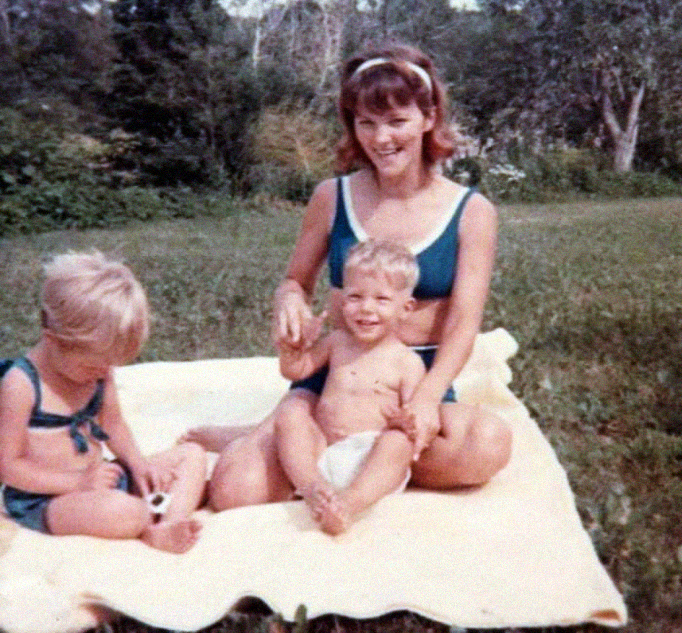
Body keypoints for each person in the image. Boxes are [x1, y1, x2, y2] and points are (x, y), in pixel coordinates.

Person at [190, 42, 513, 510]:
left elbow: (463, 322)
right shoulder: (332, 196)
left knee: (485, 445)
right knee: (233, 491)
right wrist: (289, 302)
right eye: (367, 122)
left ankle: (344, 458)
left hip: (414, 377)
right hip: (339, 373)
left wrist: (424, 400)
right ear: (352, 125)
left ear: (428, 118)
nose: (382, 138)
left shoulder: (471, 211)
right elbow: (294, 281)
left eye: (397, 121)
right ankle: (312, 439)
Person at [0, 251, 207, 553]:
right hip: (49, 499)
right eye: (91, 366)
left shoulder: (98, 373)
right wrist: (78, 482)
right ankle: (146, 517)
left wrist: (139, 465)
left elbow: (113, 425)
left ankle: (167, 525)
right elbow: (8, 466)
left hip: (102, 480)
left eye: (108, 366)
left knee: (192, 455)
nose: (101, 374)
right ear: (52, 339)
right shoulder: (21, 384)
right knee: (123, 512)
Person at [278, 239, 425, 535]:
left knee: (398, 443)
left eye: (381, 300)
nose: (366, 309)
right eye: (356, 297)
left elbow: (417, 418)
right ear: (343, 299)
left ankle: (347, 505)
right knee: (290, 417)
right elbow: (297, 370)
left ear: (405, 308)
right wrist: (293, 350)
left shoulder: (407, 362)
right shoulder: (336, 342)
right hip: (322, 450)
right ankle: (313, 488)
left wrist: (405, 422)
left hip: (369, 460)